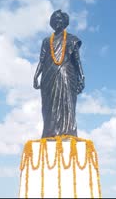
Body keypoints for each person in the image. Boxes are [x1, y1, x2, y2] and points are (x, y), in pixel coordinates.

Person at [33, 10, 85, 138]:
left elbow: (77, 60)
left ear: (65, 22)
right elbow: (42, 60)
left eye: (60, 19)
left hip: (67, 74)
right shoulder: (46, 41)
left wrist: (82, 76)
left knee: (67, 103)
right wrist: (36, 75)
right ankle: (50, 132)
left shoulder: (72, 40)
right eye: (55, 19)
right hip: (48, 76)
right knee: (49, 106)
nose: (57, 22)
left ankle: (68, 132)